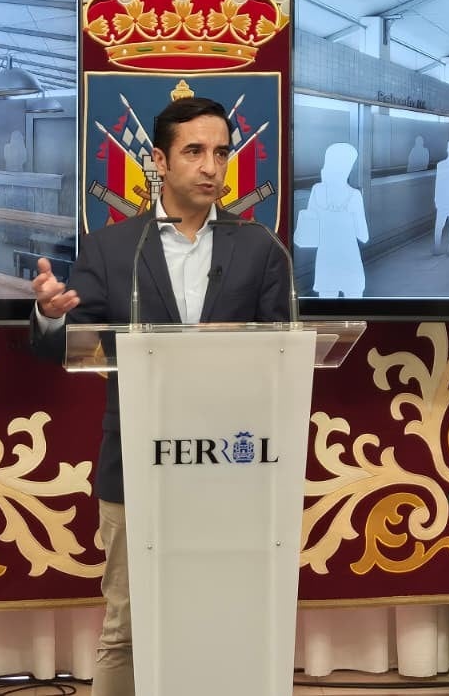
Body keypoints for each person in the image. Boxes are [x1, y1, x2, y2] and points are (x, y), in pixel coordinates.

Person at [29, 96, 289, 696]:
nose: (211, 166)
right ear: (160, 161)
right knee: (127, 628)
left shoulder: (260, 247)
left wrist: (246, 338)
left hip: (235, 466)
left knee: (228, 621)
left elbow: (284, 350)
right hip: (137, 467)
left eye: (221, 152)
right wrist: (49, 317)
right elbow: (65, 347)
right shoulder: (114, 249)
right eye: (194, 151)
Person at [310, 142, 368, 297]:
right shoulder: (354, 195)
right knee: (355, 313)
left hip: (325, 262)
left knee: (326, 316)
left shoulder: (317, 190)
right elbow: (364, 235)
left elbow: (310, 225)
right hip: (349, 261)